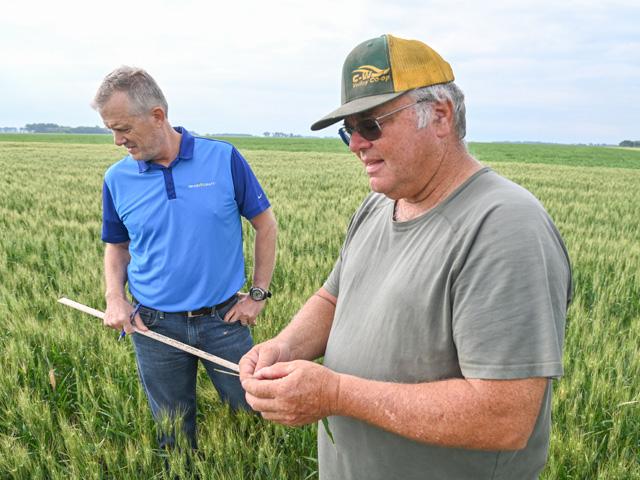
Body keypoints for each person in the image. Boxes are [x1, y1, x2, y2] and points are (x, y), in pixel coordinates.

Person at [240, 34, 571, 479]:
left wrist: (336, 394)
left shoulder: (504, 227)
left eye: (371, 125)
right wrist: (282, 347)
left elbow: (505, 415)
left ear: (439, 115)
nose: (357, 144)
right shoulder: (378, 205)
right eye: (348, 131)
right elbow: (334, 300)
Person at [92, 66, 277, 449]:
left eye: (123, 128)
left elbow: (266, 224)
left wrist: (258, 294)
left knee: (251, 414)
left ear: (157, 115)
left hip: (223, 322)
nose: (116, 140)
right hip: (153, 326)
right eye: (111, 129)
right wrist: (115, 297)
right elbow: (117, 246)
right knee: (173, 432)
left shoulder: (223, 158)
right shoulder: (117, 179)